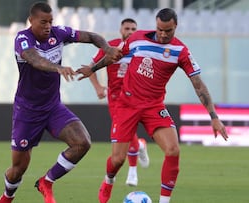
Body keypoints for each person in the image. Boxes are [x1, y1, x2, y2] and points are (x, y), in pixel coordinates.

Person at [76, 8, 228, 203]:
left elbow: (198, 84)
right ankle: (108, 180)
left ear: (176, 27)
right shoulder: (137, 38)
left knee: (173, 150)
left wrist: (214, 117)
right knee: (117, 160)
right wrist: (92, 69)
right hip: (127, 104)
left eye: (168, 31)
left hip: (154, 106)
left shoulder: (180, 51)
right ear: (155, 25)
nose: (163, 34)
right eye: (160, 29)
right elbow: (115, 55)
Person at [0, 2, 122, 203]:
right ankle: (7, 196)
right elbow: (34, 60)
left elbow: (90, 36)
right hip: (27, 111)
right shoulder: (23, 39)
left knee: (82, 142)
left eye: (50, 21)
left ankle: (46, 181)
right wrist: (58, 68)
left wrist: (107, 48)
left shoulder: (59, 33)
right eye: (43, 22)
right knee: (18, 169)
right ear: (31, 21)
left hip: (53, 107)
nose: (47, 26)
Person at [88, 18, 149, 187]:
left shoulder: (142, 48)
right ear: (121, 30)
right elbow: (91, 67)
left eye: (133, 29)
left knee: (127, 133)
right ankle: (141, 146)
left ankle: (132, 172)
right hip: (115, 99)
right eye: (127, 28)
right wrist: (98, 87)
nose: (130, 31)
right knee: (127, 132)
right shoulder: (110, 47)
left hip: (135, 97)